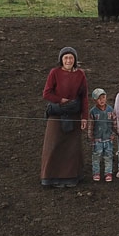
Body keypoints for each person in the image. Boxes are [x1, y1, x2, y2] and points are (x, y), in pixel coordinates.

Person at [40, 46, 88, 187]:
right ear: (61, 59)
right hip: (57, 114)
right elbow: (46, 93)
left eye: (71, 58)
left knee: (72, 148)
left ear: (75, 60)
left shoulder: (80, 75)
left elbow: (84, 97)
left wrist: (84, 117)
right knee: (53, 144)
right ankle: (50, 177)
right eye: (66, 58)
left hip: (73, 114)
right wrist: (61, 100)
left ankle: (71, 177)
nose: (68, 60)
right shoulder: (54, 73)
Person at [88, 88, 116, 182]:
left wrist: (114, 133)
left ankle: (108, 173)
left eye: (103, 97)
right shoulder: (93, 112)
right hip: (97, 138)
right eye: (99, 98)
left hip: (108, 137)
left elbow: (114, 122)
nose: (102, 100)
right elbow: (91, 125)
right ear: (95, 100)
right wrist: (91, 137)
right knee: (96, 156)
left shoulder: (110, 110)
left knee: (108, 156)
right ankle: (96, 173)